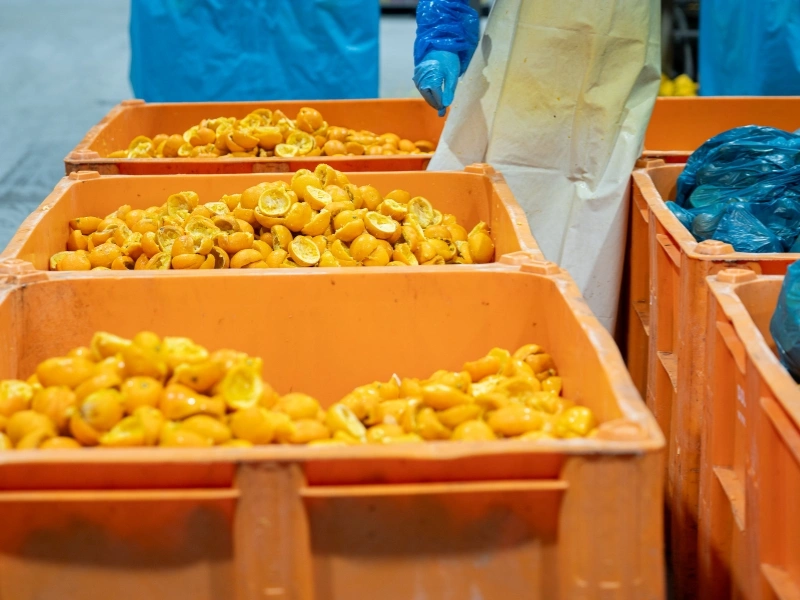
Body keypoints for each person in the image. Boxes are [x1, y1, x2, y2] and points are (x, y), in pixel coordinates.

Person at [413, 0, 660, 332]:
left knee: (587, 248)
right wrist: (444, 36)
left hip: (614, 74)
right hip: (523, 71)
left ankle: (569, 347)